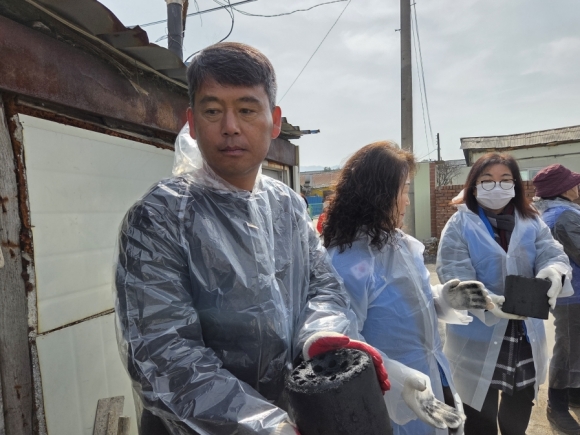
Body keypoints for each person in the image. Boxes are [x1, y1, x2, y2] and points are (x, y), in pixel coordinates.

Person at [114, 42, 389, 435]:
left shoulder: (286, 207)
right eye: (213, 111)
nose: (230, 126)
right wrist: (262, 425)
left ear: (273, 121)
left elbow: (323, 286)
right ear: (192, 121)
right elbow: (162, 352)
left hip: (295, 416)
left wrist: (320, 334)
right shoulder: (160, 216)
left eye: (246, 109)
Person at [322, 141, 491, 434]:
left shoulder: (402, 244)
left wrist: (445, 299)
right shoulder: (349, 260)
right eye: (403, 191)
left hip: (431, 377)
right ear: (377, 195)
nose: (407, 201)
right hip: (389, 395)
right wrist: (398, 380)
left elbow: (407, 304)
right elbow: (343, 342)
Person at [437, 152, 573, 435]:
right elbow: (453, 272)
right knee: (478, 415)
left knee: (518, 409)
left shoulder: (532, 220)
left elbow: (552, 253)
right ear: (474, 187)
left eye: (505, 180)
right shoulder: (460, 225)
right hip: (477, 335)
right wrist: (486, 301)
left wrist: (553, 271)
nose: (496, 187)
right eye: (487, 180)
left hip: (524, 333)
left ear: (516, 185)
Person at [533, 164, 580, 434]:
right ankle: (557, 406)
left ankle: (573, 394)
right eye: (573, 183)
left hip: (567, 294)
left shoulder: (552, 213)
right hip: (574, 295)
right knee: (568, 349)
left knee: (573, 347)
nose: (577, 187)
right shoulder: (565, 216)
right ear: (562, 189)